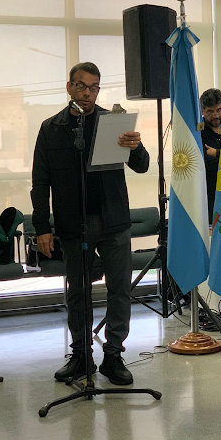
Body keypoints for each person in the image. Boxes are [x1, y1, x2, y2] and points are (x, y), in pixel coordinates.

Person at [31, 62, 149, 385]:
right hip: (74, 224)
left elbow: (142, 165)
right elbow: (40, 181)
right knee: (78, 292)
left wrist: (136, 147)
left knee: (119, 290)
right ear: (69, 87)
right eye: (82, 86)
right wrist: (42, 227)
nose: (87, 93)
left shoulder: (112, 124)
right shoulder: (51, 128)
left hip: (114, 222)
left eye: (94, 87)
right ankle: (82, 355)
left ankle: (113, 356)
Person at [200, 88, 221, 224]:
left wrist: (217, 153)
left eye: (219, 110)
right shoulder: (198, 132)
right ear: (203, 111)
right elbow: (208, 164)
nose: (215, 115)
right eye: (210, 111)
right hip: (209, 197)